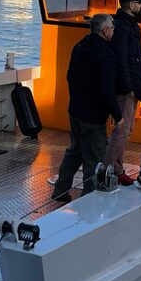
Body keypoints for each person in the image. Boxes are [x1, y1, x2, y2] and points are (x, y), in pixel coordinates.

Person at [51, 13, 121, 202]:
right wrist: (117, 114)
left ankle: (60, 190)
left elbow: (70, 76)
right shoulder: (107, 54)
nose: (114, 31)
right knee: (94, 157)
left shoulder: (79, 47)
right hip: (94, 114)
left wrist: (76, 98)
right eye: (112, 28)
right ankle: (88, 198)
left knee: (74, 151)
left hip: (75, 109)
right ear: (105, 31)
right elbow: (106, 88)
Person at [106, 0, 141, 184]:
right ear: (131, 5)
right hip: (127, 88)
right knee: (123, 129)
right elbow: (121, 59)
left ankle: (112, 166)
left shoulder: (126, 25)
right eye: (139, 2)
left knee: (124, 128)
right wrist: (128, 87)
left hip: (130, 84)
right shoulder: (123, 27)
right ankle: (114, 169)